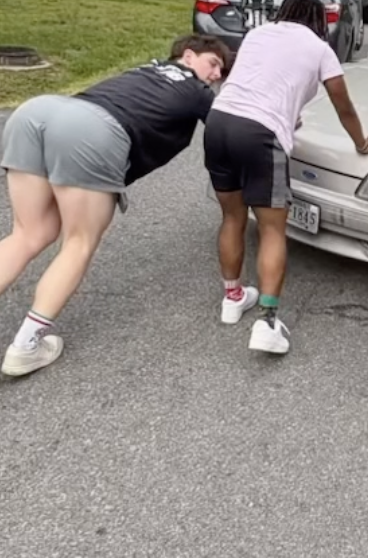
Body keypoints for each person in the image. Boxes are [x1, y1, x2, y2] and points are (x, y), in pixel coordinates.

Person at [0, 34, 230, 378]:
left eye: (221, 71)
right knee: (78, 243)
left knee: (28, 233)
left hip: (38, 111)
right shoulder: (197, 90)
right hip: (91, 131)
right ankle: (26, 346)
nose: (216, 75)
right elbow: (229, 126)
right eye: (213, 64)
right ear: (187, 56)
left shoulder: (143, 70)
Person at [203, 0, 368, 356]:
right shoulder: (320, 49)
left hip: (219, 121)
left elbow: (256, 80)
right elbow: (343, 105)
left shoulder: (258, 34)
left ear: (283, 12)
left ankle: (232, 299)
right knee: (272, 228)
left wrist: (285, 115)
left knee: (232, 216)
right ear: (318, 20)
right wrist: (362, 142)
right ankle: (267, 322)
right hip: (259, 133)